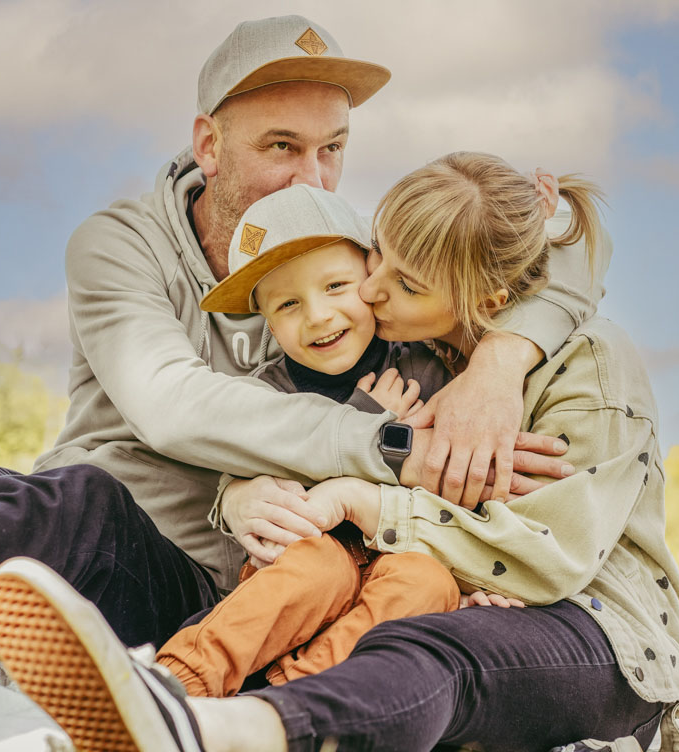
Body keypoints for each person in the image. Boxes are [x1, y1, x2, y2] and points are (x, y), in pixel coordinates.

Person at [0, 16, 580, 719]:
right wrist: (386, 448)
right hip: (48, 566)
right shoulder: (118, 242)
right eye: (281, 147)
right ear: (208, 146)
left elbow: (533, 268)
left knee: (81, 504)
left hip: (195, 590)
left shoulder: (351, 259)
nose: (311, 176)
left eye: (333, 149)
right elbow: (172, 405)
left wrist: (501, 362)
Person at [0, 152, 679, 752]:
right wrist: (242, 494)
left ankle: (226, 736)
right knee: (331, 581)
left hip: (591, 622)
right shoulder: (418, 341)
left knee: (423, 644)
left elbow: (553, 551)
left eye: (404, 280)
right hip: (437, 584)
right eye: (376, 255)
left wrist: (368, 494)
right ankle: (170, 689)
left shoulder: (590, 367)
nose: (372, 291)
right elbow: (291, 427)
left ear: (484, 300)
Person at [159, 183, 467, 697]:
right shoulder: (265, 394)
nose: (318, 316)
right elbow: (274, 494)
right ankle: (180, 681)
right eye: (288, 304)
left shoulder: (428, 364)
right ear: (266, 321)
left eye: (336, 287)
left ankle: (286, 700)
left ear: (373, 275)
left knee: (428, 583)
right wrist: (369, 419)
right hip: (310, 561)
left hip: (409, 547)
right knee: (318, 566)